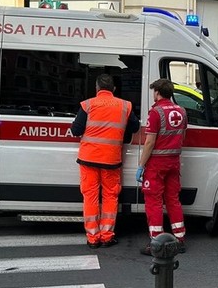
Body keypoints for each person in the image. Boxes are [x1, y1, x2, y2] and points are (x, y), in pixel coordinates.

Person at [70, 74, 139, 248]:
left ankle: (93, 238)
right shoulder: (125, 106)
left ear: (97, 88)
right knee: (110, 196)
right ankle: (107, 236)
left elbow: (76, 130)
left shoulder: (88, 104)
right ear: (114, 89)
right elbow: (135, 127)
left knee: (90, 197)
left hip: (88, 158)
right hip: (111, 159)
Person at [137, 78, 187, 255]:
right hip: (174, 161)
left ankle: (156, 243)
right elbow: (182, 136)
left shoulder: (155, 112)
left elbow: (150, 142)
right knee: (173, 200)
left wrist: (141, 165)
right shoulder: (181, 111)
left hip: (157, 164)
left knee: (154, 202)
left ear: (157, 92)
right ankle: (179, 239)